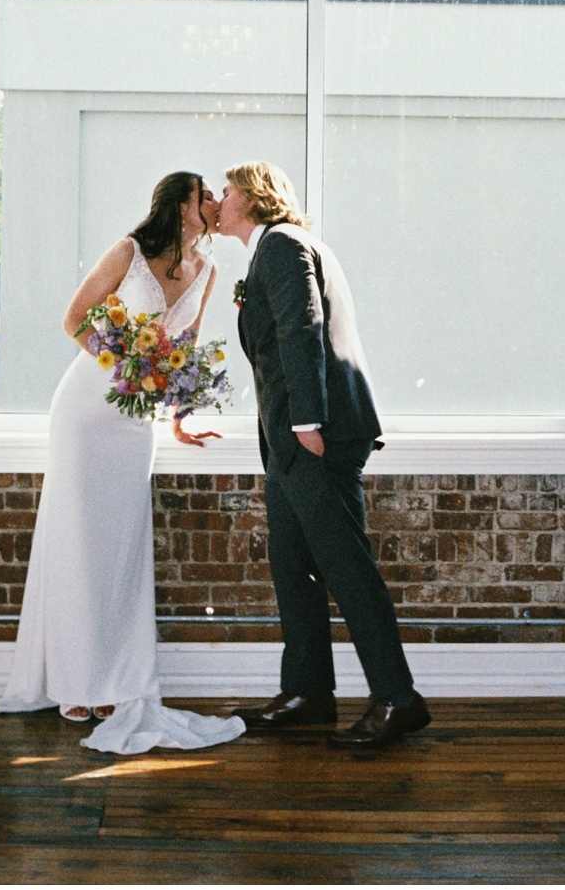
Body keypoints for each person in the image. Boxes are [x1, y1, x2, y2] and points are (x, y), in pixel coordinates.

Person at [0, 171, 245, 755]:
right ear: (182, 205)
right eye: (205, 195)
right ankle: (73, 683)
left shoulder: (206, 272)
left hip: (136, 425)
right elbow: (75, 320)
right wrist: (128, 363)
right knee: (78, 542)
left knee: (120, 549)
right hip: (86, 411)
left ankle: (115, 679)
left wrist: (180, 415)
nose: (214, 204)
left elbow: (185, 347)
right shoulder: (128, 252)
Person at [217, 161, 431, 749]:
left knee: (344, 567)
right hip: (292, 438)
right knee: (293, 565)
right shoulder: (271, 250)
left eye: (228, 190)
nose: (219, 198)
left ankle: (399, 698)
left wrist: (307, 420)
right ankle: (308, 692)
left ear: (255, 198)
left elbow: (303, 328)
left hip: (316, 435)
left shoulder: (283, 243)